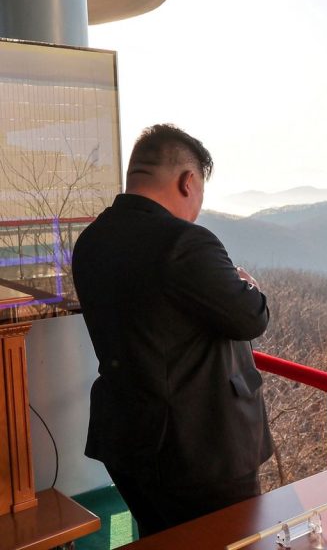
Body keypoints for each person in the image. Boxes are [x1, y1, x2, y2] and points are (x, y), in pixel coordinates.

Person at [72, 124, 273, 537]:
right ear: (188, 182)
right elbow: (251, 317)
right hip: (201, 447)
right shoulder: (185, 243)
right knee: (230, 539)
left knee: (160, 535)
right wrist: (248, 285)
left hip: (128, 437)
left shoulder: (91, 241)